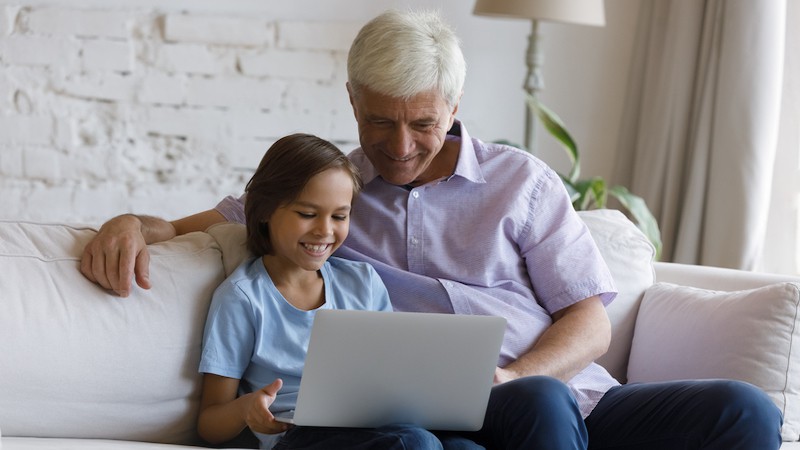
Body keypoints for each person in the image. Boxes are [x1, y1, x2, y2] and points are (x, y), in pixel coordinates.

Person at [82, 9, 782, 450]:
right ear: (352, 101)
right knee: (530, 407)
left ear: (454, 106)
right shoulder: (331, 196)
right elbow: (201, 221)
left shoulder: (521, 182)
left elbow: (591, 324)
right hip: (454, 415)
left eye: (422, 122)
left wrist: (515, 374)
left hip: (568, 395)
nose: (400, 145)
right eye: (379, 120)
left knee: (743, 410)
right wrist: (129, 224)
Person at [197, 133, 444, 449]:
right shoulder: (242, 298)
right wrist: (247, 409)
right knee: (415, 443)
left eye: (339, 216)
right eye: (307, 214)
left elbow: (390, 374)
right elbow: (209, 423)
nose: (325, 231)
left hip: (372, 426)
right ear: (265, 210)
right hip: (297, 434)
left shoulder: (363, 282)